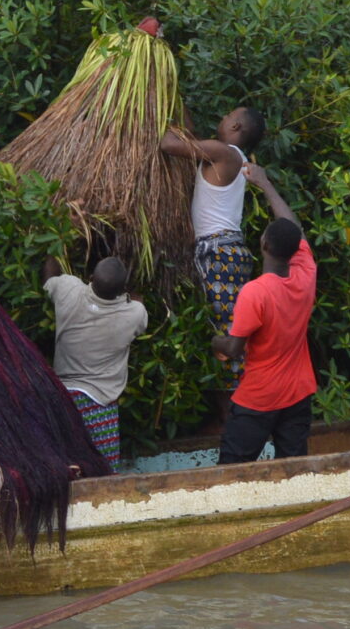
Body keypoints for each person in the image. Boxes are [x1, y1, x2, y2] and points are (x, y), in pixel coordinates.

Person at [161, 107, 292, 380]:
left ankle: (239, 403)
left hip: (219, 252)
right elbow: (190, 136)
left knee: (227, 333)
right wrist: (178, 103)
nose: (222, 118)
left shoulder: (223, 153)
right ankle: (233, 405)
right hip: (225, 251)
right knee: (226, 327)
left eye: (227, 116)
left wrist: (159, 111)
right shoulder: (228, 156)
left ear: (235, 127)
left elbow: (169, 144)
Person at [214, 216, 319, 464]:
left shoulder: (255, 292)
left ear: (263, 244)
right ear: (296, 249)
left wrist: (215, 342)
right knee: (292, 470)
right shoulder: (306, 274)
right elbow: (295, 226)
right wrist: (264, 183)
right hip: (297, 392)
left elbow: (233, 349)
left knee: (232, 470)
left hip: (259, 397)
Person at [43, 253, 149, 468]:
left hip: (63, 396)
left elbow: (49, 277)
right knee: (102, 473)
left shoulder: (68, 289)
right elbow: (138, 311)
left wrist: (53, 249)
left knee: (68, 468)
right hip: (99, 403)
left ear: (91, 277)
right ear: (122, 290)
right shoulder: (135, 313)